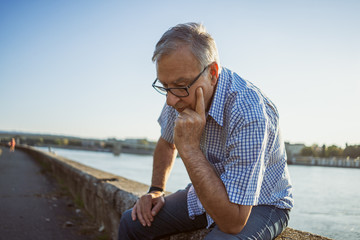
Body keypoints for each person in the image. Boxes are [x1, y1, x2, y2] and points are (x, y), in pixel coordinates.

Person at [118, 22, 293, 240]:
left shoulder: (250, 112)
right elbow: (166, 141)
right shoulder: (181, 94)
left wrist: (190, 149)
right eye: (165, 87)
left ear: (212, 73)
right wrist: (156, 189)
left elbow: (233, 223)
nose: (170, 100)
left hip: (261, 203)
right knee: (131, 221)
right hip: (208, 191)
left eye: (179, 86)